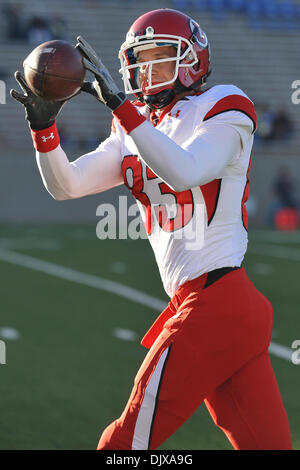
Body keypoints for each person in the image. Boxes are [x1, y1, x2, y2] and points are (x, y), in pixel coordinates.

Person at [11, 8, 292, 451]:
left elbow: (185, 170)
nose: (145, 71)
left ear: (192, 61)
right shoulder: (134, 124)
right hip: (211, 308)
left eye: (159, 57)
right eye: (139, 61)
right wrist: (44, 128)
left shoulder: (223, 106)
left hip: (217, 302)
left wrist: (124, 111)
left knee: (124, 445)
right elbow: (68, 185)